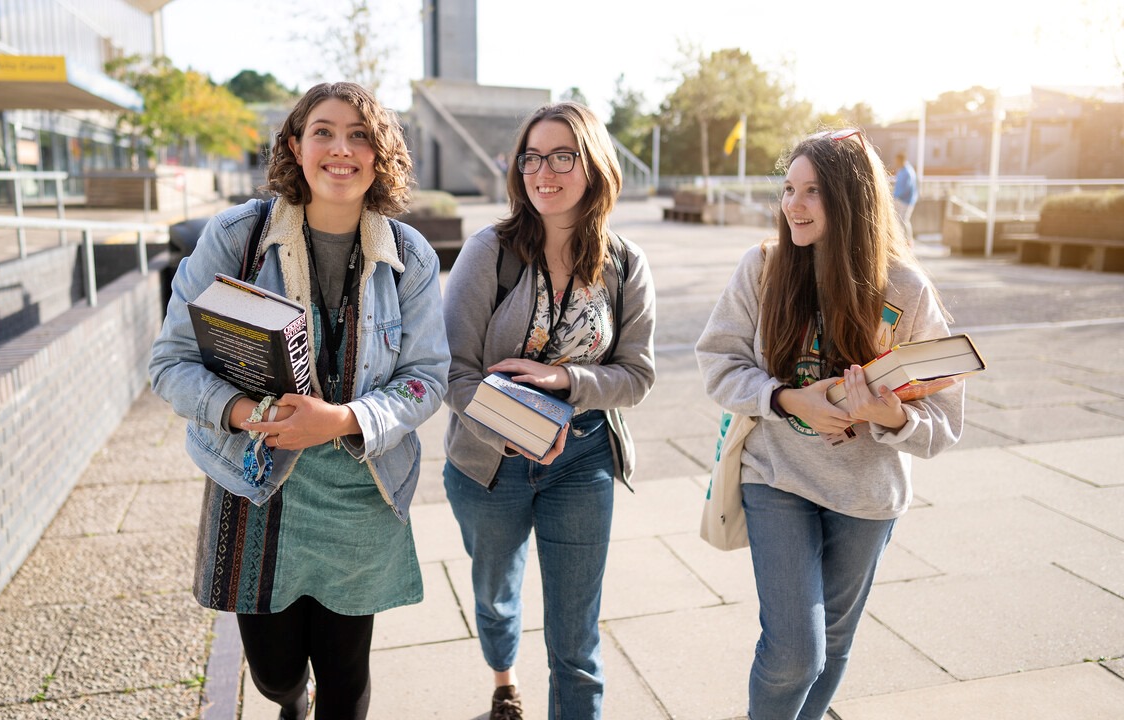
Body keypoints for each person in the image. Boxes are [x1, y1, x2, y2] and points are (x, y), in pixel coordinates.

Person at [149, 81, 449, 720]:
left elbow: (426, 378)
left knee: (346, 674)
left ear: (381, 153)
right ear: (295, 144)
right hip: (257, 488)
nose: (342, 149)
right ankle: (291, 701)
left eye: (360, 135)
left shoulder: (410, 256)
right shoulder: (236, 237)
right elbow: (168, 363)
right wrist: (247, 415)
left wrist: (341, 420)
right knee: (274, 674)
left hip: (360, 491)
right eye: (324, 132)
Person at [694, 128, 964, 720]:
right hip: (777, 477)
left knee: (833, 648)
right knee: (796, 652)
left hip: (867, 496)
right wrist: (790, 400)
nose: (793, 204)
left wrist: (886, 414)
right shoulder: (762, 268)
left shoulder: (908, 290)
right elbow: (718, 362)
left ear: (852, 199)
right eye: (788, 188)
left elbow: (944, 419)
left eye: (812, 191)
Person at [441, 102, 657, 720]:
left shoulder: (625, 263)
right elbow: (451, 373)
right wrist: (513, 428)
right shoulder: (491, 251)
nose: (545, 171)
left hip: (582, 457)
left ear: (593, 165)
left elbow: (637, 376)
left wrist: (565, 377)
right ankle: (504, 683)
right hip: (490, 462)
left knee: (577, 638)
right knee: (494, 598)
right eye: (533, 156)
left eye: (563, 155)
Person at [892, 151, 918, 243]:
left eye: (897, 161)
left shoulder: (907, 172)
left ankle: (907, 241)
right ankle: (905, 240)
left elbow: (905, 187)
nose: (896, 163)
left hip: (906, 200)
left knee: (903, 220)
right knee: (902, 220)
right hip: (902, 199)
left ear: (901, 160)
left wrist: (895, 196)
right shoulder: (902, 170)